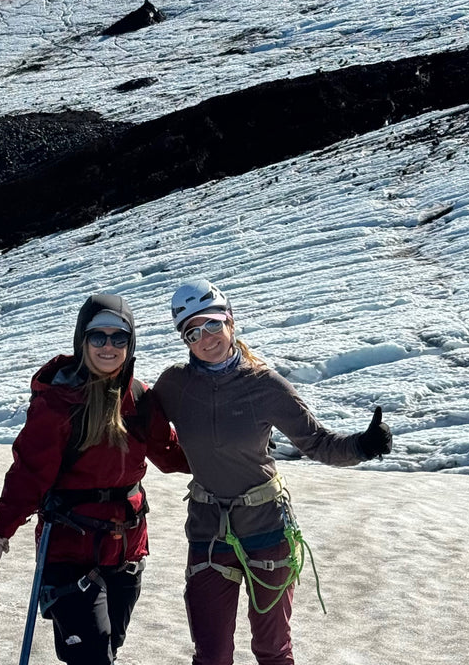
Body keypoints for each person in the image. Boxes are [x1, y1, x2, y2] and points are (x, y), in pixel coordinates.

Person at [153, 279, 392, 665]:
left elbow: (317, 442)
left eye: (212, 325)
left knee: (272, 651)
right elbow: (132, 424)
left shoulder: (265, 386)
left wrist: (363, 446)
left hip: (267, 528)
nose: (206, 338)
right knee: (211, 656)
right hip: (208, 533)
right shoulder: (175, 385)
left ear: (230, 321)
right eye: (192, 332)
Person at [0, 292, 189, 664]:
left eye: (118, 337)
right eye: (98, 336)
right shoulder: (58, 403)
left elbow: (172, 456)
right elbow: (28, 474)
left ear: (130, 342)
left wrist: (235, 456)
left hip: (126, 549)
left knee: (105, 650)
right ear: (82, 340)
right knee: (92, 655)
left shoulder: (140, 400)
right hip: (67, 549)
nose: (109, 346)